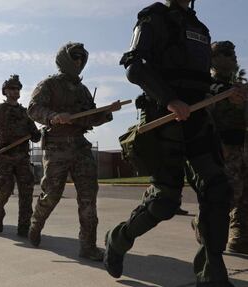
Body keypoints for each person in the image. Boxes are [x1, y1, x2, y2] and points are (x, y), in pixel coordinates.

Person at [104, 1, 246, 286]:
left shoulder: (200, 29)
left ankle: (211, 274)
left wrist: (227, 92)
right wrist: (169, 99)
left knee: (217, 189)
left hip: (196, 120)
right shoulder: (153, 18)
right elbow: (135, 66)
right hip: (163, 116)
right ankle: (118, 240)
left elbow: (202, 81)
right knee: (165, 201)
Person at [27, 42, 120, 261]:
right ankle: (35, 224)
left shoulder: (83, 90)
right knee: (52, 195)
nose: (79, 62)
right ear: (65, 59)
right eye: (75, 57)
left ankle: (87, 246)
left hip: (80, 147)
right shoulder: (49, 84)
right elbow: (33, 108)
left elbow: (89, 117)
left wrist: (106, 112)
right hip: (57, 147)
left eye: (81, 58)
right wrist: (52, 116)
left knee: (88, 198)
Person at [193, 41, 248, 254]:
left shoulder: (236, 87)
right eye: (225, 53)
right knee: (228, 195)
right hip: (224, 148)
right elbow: (205, 118)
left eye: (233, 53)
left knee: (245, 197)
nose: (232, 57)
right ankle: (202, 223)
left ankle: (240, 238)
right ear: (213, 59)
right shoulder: (209, 87)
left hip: (242, 146)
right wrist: (216, 145)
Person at [0, 75, 41, 236]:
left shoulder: (25, 112)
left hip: (23, 157)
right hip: (5, 156)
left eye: (18, 88)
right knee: (4, 192)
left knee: (26, 194)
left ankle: (23, 228)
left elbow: (33, 131)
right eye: (12, 88)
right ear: (5, 91)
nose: (16, 91)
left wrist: (36, 135)